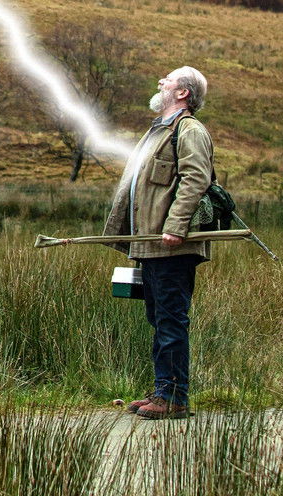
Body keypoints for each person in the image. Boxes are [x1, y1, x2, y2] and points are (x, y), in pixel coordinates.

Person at [102, 66, 213, 420]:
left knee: (170, 319)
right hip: (151, 245)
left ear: (182, 92)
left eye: (168, 79)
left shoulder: (189, 130)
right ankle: (164, 390)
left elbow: (196, 179)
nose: (161, 82)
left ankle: (174, 397)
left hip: (171, 246)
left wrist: (176, 226)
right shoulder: (158, 131)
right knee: (159, 318)